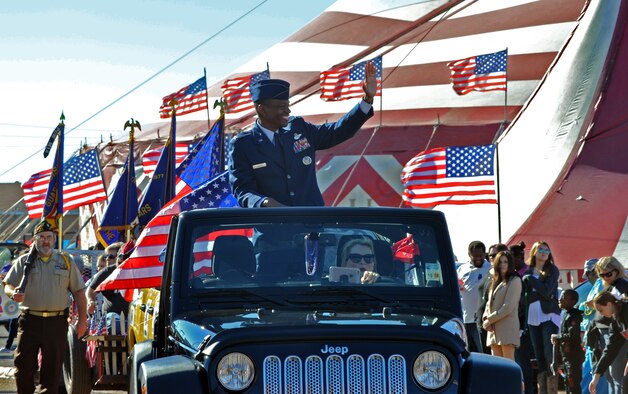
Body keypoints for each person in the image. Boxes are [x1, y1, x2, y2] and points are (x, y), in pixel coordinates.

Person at [228, 62, 377, 208]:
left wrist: (367, 100)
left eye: (287, 106)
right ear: (262, 109)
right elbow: (242, 189)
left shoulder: (299, 129)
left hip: (311, 225)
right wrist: (264, 202)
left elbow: (337, 131)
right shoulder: (244, 144)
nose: (288, 111)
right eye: (281, 107)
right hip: (271, 227)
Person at [2, 220, 87, 394]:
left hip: (57, 322)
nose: (45, 241)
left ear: (54, 239)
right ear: (35, 240)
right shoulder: (24, 261)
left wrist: (83, 320)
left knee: (52, 370)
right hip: (29, 321)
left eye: (49, 237)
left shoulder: (66, 261)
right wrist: (13, 293)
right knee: (23, 366)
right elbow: (8, 284)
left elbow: (79, 291)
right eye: (41, 237)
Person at [522, 240, 561, 394]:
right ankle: (543, 390)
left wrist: (532, 282)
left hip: (549, 316)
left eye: (546, 250)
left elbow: (547, 291)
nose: (544, 252)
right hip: (532, 316)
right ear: (534, 252)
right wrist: (539, 293)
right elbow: (525, 297)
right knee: (539, 355)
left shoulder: (553, 270)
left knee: (548, 354)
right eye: (541, 250)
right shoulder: (528, 271)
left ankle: (552, 390)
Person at [482, 251, 522, 360]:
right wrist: (485, 318)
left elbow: (508, 307)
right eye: (500, 262)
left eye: (506, 262)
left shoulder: (515, 280)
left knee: (508, 366)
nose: (502, 264)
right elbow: (488, 303)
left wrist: (489, 320)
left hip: (507, 328)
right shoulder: (494, 281)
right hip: (493, 331)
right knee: (497, 367)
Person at [510, 241, 537, 394]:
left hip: (528, 324)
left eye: (511, 258)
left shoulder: (529, 274)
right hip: (518, 323)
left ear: (520, 256)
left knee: (525, 363)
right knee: (520, 362)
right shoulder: (514, 275)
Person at [589, 291, 628, 394]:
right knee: (625, 384)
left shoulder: (626, 311)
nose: (601, 314)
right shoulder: (615, 322)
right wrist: (596, 376)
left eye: (601, 310)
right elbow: (610, 350)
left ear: (609, 304)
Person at [457, 240, 490, 353]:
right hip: (465, 319)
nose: (478, 258)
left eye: (480, 255)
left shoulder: (490, 268)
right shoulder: (462, 269)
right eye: (474, 255)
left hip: (482, 320)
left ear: (485, 254)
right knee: (469, 353)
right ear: (469, 255)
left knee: (483, 352)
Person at [476, 243, 508, 354]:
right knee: (486, 359)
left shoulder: (508, 277)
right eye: (490, 255)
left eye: (495, 255)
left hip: (496, 325)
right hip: (482, 322)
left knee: (500, 361)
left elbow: (507, 304)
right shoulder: (489, 274)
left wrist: (491, 320)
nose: (491, 258)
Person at [551, 289, 585, 394]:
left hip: (573, 357)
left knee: (573, 384)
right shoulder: (566, 314)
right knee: (567, 383)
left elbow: (573, 335)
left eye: (563, 297)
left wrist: (558, 337)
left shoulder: (574, 316)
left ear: (573, 301)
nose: (560, 299)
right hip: (567, 357)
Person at [86, 241, 130, 317]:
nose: (107, 259)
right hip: (110, 317)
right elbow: (90, 290)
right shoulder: (106, 272)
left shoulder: (132, 271)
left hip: (131, 315)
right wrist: (91, 301)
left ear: (120, 256)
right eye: (106, 256)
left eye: (111, 256)